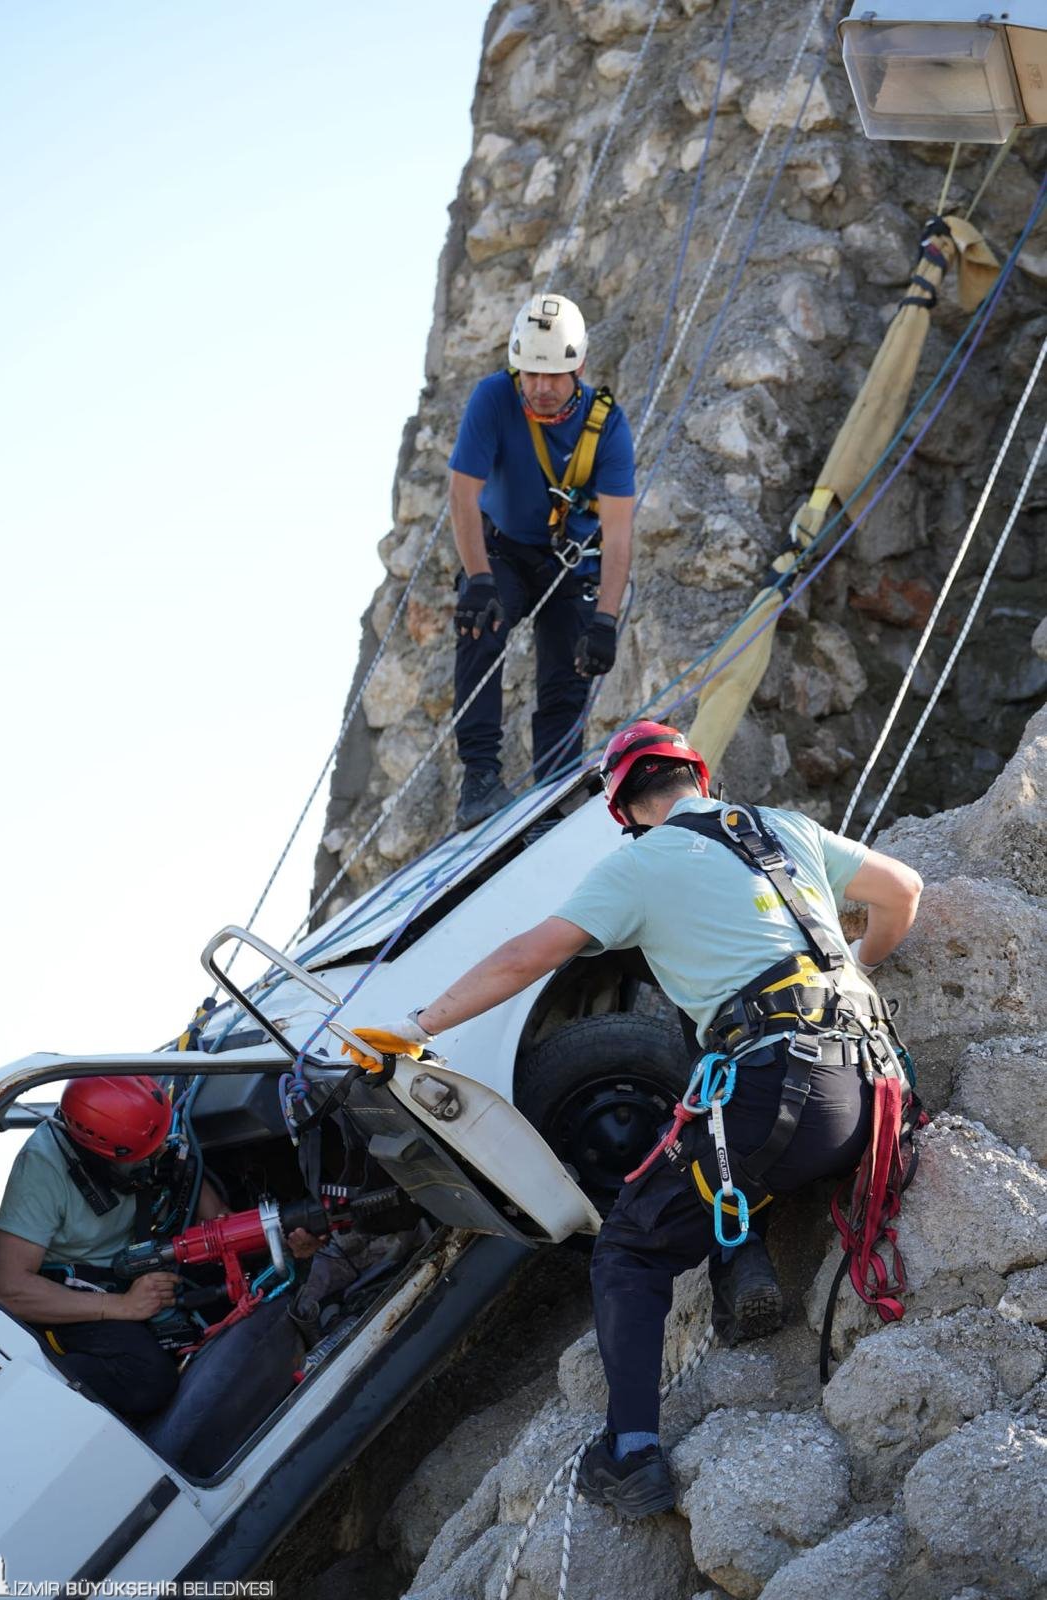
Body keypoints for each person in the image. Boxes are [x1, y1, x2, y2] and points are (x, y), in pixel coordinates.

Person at [343, 720, 923, 1517]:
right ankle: (740, 1262)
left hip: (779, 1104)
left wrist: (416, 1027)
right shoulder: (783, 828)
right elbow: (904, 892)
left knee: (628, 1248)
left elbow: (526, 958)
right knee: (716, 1125)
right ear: (700, 778)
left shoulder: (641, 863)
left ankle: (632, 1453)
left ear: (625, 809)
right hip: (873, 1093)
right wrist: (862, 966)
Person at [0, 1074, 321, 1420]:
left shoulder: (151, 1137)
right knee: (148, 1380)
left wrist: (277, 1238)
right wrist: (123, 1306)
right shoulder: (42, 1169)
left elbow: (220, 1221)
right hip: (80, 1293)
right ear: (99, 1151)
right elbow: (9, 1289)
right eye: (146, 1152)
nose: (163, 1151)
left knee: (244, 1290)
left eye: (161, 1141)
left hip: (146, 1256)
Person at [448, 291, 636, 830]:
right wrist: (479, 580)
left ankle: (551, 803)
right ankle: (479, 775)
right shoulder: (493, 399)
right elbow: (463, 496)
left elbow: (619, 535)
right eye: (530, 373)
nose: (541, 387)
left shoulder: (608, 428)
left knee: (566, 675)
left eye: (553, 375)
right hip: (504, 549)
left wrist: (605, 619)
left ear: (577, 367)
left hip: (573, 564)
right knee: (480, 625)